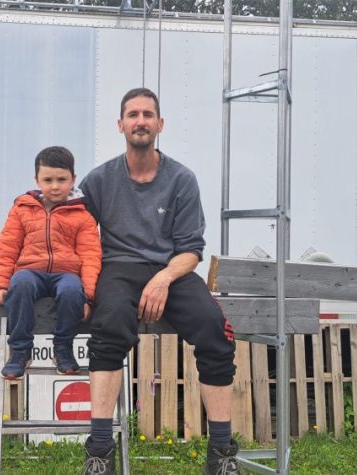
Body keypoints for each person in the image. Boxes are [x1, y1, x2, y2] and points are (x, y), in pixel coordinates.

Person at [79, 88, 239, 475]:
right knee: (108, 326)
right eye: (132, 114)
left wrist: (164, 278)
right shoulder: (99, 180)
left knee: (215, 330)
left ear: (160, 124)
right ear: (120, 125)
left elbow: (191, 250)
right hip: (117, 268)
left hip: (172, 270)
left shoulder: (181, 179)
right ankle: (99, 453)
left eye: (148, 114)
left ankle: (221, 454)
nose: (140, 121)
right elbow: (73, 235)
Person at [0, 146, 102, 379]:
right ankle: (20, 351)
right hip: (31, 271)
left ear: (73, 179)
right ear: (37, 179)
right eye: (47, 180)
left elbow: (91, 256)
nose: (55, 186)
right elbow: (7, 248)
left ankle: (63, 349)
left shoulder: (82, 214)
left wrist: (88, 296)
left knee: (72, 290)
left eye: (62, 179)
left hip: (66, 273)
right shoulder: (22, 209)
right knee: (20, 284)